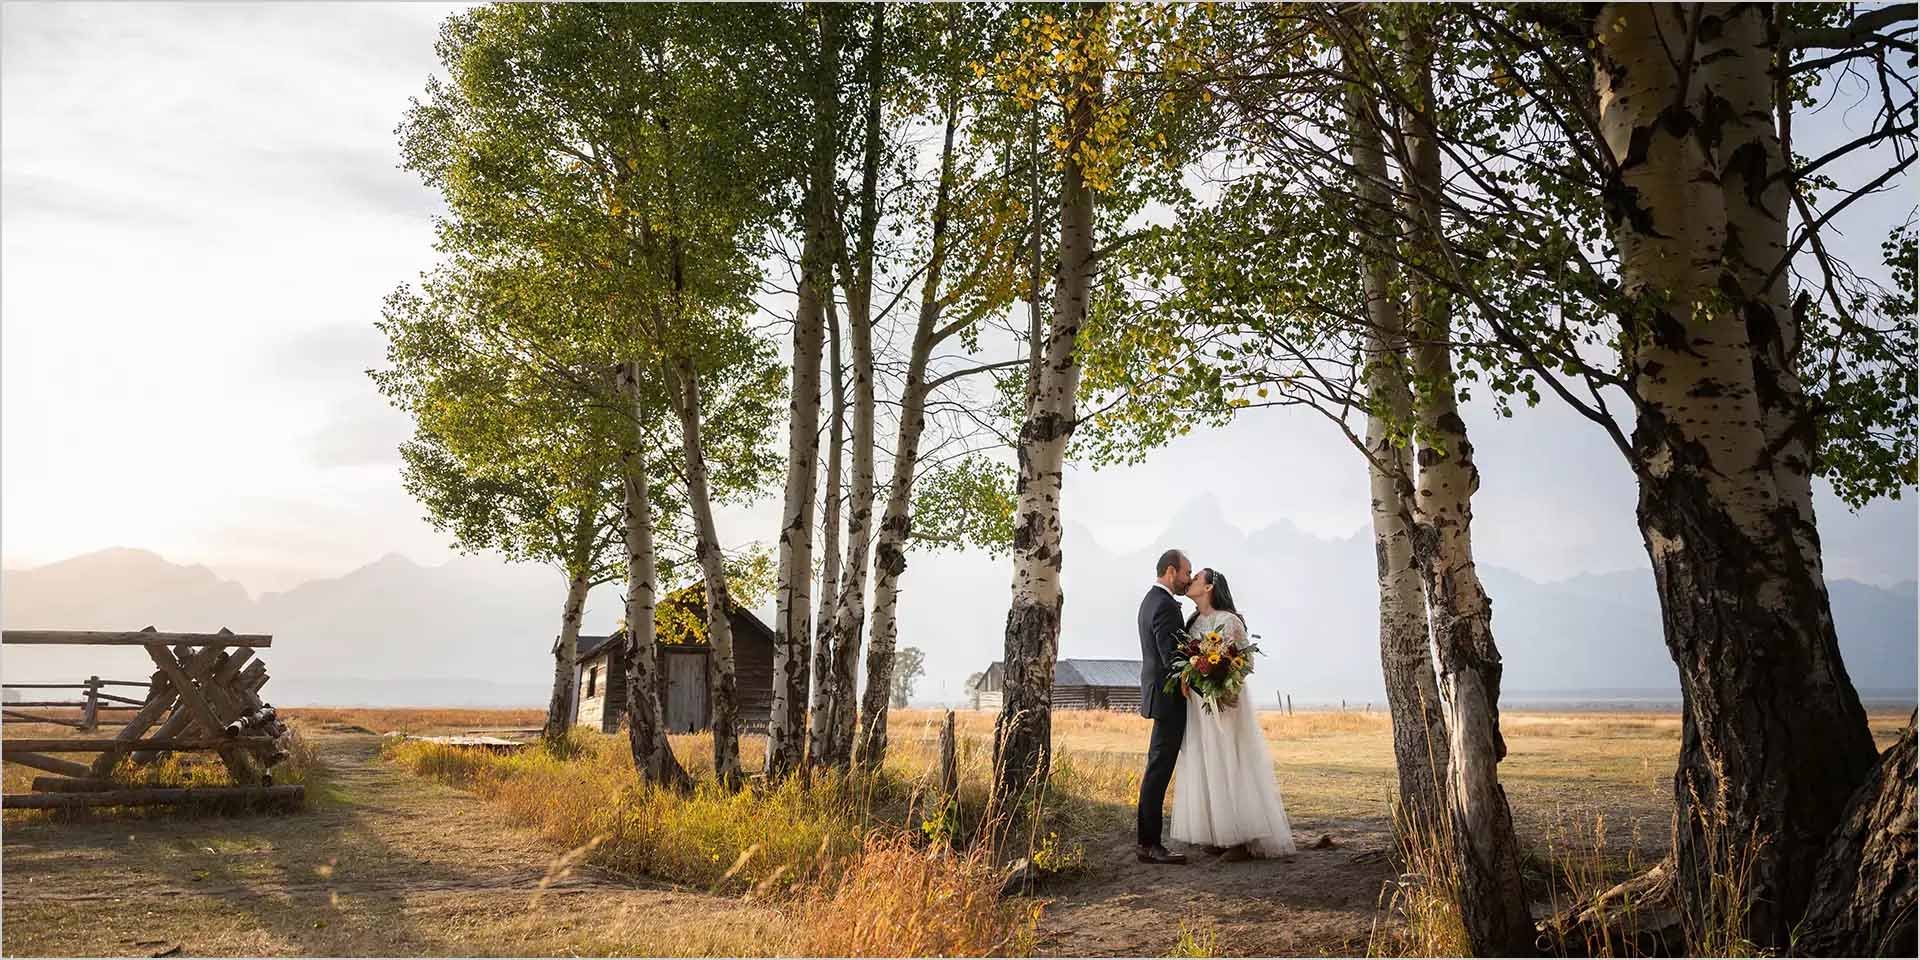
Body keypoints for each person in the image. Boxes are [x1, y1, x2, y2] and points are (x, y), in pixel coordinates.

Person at [1169, 567, 1296, 860]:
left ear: (1210, 586)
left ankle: (1240, 838)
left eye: (1196, 578)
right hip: (1199, 707)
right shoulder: (1192, 623)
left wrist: (1221, 680)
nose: (1190, 582)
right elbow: (1187, 660)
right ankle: (1216, 833)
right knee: (1207, 761)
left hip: (1227, 702)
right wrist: (1192, 676)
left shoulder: (1230, 621)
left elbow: (1246, 662)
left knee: (1230, 760)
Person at [1135, 548, 1192, 864]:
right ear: (1171, 571)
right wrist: (1189, 674)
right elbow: (1171, 653)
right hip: (1169, 698)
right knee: (1158, 770)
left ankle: (1147, 842)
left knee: (1156, 767)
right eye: (1186, 572)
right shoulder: (1166, 605)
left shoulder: (1149, 600)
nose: (1187, 579)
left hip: (1159, 694)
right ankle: (1150, 844)